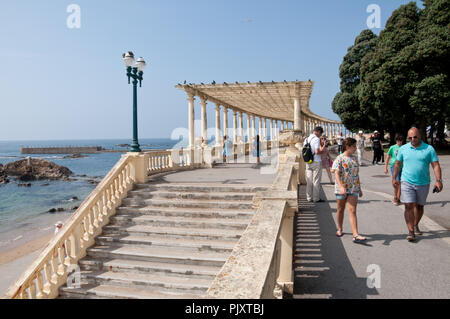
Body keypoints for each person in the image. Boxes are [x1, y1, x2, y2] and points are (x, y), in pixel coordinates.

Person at [393, 127, 443, 242]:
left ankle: (415, 224)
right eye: (410, 137)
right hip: (406, 181)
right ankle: (411, 231)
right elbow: (397, 163)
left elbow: (435, 165)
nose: (412, 139)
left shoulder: (429, 149)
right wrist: (394, 177)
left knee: (419, 206)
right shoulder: (404, 149)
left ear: (420, 135)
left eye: (415, 137)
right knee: (408, 205)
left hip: (423, 183)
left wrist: (438, 180)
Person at [332, 137, 366, 243]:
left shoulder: (354, 158)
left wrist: (359, 188)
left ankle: (355, 234)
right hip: (341, 189)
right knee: (340, 209)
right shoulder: (339, 158)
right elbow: (336, 173)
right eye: (354, 146)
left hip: (353, 188)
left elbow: (356, 175)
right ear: (347, 146)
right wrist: (341, 186)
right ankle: (340, 228)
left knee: (352, 210)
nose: (355, 148)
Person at [304, 126, 326, 202]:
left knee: (309, 181)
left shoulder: (306, 139)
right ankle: (316, 198)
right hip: (316, 162)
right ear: (318, 132)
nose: (320, 136)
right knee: (316, 180)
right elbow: (317, 152)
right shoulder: (316, 139)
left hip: (308, 162)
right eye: (320, 134)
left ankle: (309, 197)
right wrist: (323, 148)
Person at [384, 133, 404, 206]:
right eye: (398, 140)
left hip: (402, 166)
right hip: (394, 166)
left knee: (401, 183)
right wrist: (385, 167)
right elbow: (388, 157)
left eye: (401, 140)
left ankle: (398, 198)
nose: (399, 142)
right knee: (396, 182)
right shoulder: (392, 147)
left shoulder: (404, 147)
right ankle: (395, 197)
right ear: (396, 140)